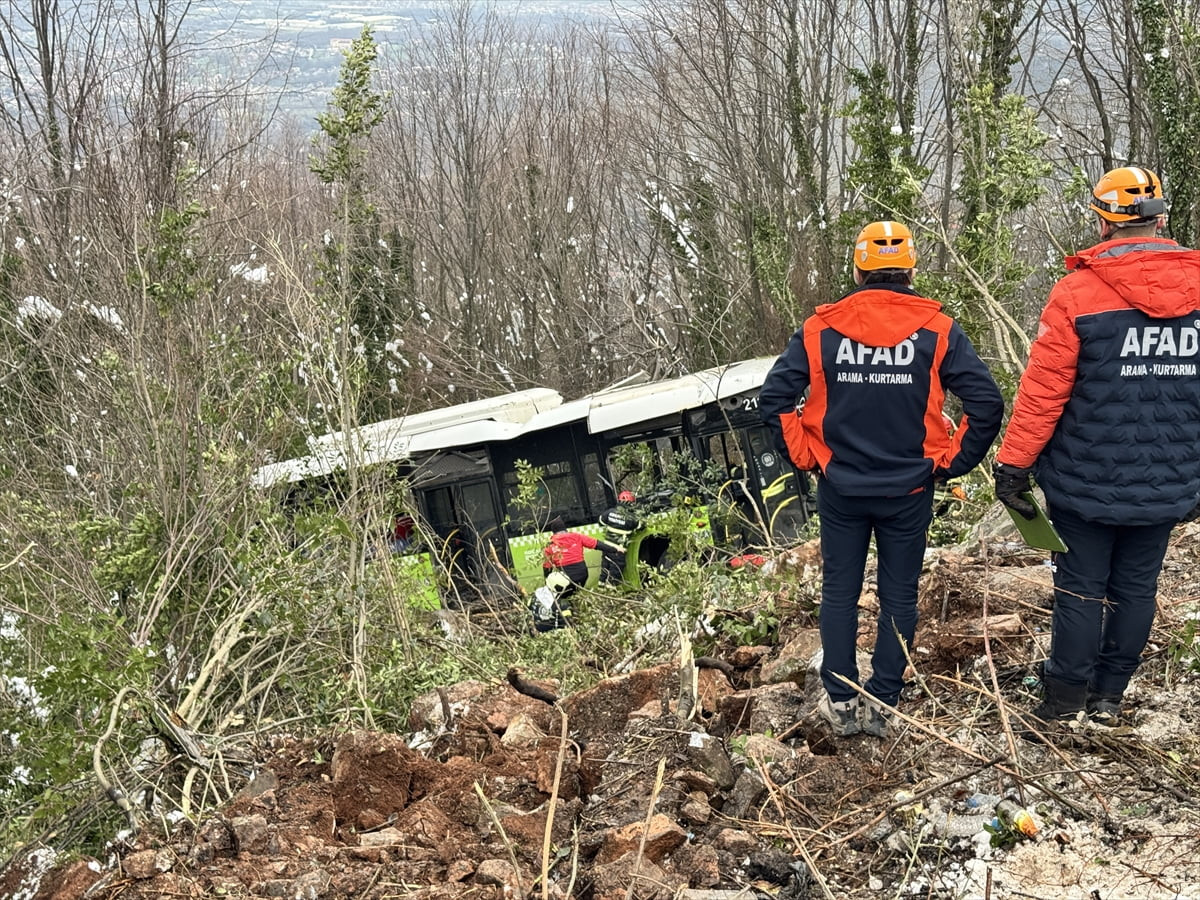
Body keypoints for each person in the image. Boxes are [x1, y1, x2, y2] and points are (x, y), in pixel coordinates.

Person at [760, 220, 1003, 738]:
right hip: (909, 489)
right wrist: (950, 462)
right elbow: (986, 403)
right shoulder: (938, 330)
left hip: (841, 488)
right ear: (911, 269)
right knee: (899, 595)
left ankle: (842, 701)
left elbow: (774, 400)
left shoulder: (820, 330)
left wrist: (808, 457)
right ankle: (885, 702)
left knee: (840, 592)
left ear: (858, 269)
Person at [993, 166, 1200, 728]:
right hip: (1168, 479)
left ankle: (1064, 700)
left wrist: (1014, 465)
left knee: (1081, 590)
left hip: (1084, 480)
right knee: (1137, 588)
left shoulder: (1077, 293)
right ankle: (1109, 696)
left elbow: (1043, 394)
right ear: (1161, 218)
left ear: (1104, 221)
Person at [536, 516, 623, 630]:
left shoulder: (550, 545)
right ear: (565, 529)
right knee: (572, 596)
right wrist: (615, 549)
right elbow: (597, 544)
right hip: (582, 575)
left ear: (553, 532)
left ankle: (568, 625)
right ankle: (578, 617)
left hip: (565, 578)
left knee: (561, 600)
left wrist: (547, 584)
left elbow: (547, 567)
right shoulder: (577, 537)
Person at [597, 492, 638, 584]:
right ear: (630, 503)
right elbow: (640, 525)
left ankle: (601, 586)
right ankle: (611, 588)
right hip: (618, 548)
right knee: (616, 569)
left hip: (606, 546)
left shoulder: (610, 512)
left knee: (605, 568)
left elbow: (601, 521)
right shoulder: (630, 517)